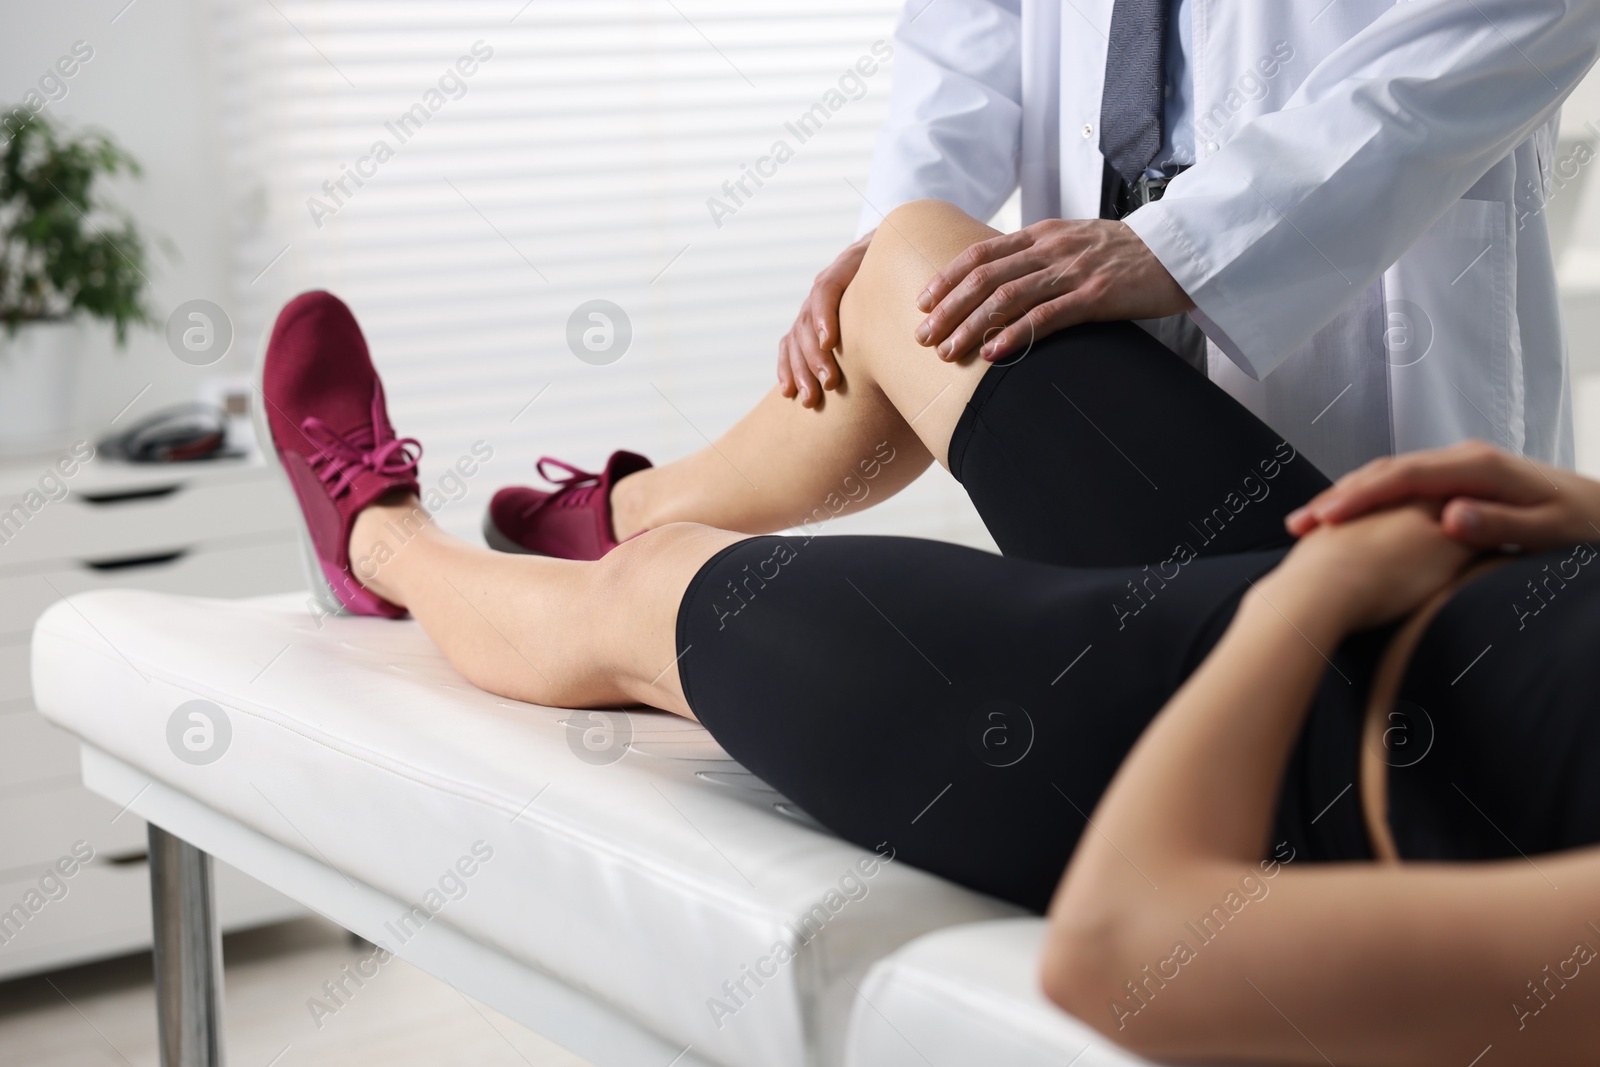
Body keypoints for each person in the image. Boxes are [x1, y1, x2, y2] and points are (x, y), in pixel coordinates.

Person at [261, 199, 1600, 1062]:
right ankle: (608, 504)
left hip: (1278, 740)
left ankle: (379, 541)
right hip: (1446, 582)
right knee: (922, 264)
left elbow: (1123, 946)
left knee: (662, 593)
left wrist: (1308, 596)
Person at [778, 0, 1600, 479]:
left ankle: (648, 515)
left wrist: (1196, 239)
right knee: (1136, 651)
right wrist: (897, 241)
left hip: (1339, 254)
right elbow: (973, 26)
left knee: (1370, 699)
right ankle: (646, 515)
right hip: (1084, 243)